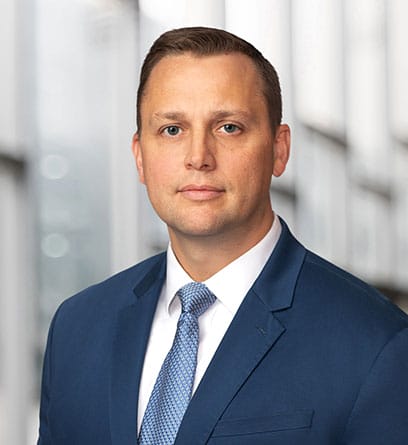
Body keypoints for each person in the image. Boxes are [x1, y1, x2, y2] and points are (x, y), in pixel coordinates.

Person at [37, 26, 408, 445]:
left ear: (279, 149)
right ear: (140, 156)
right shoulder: (78, 327)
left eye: (228, 127)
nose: (198, 157)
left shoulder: (377, 344)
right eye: (172, 129)